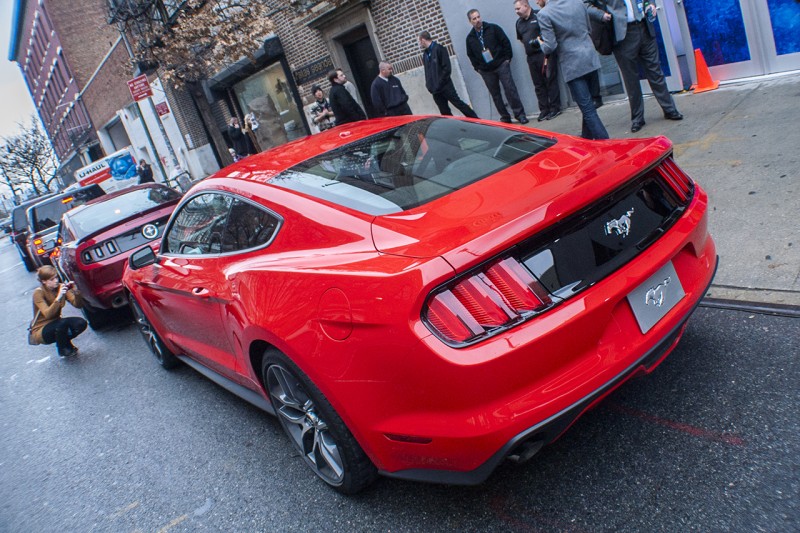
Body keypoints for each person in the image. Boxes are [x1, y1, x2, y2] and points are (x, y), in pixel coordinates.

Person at [585, 0, 683, 132]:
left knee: (655, 72)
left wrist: (652, 4)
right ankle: (637, 118)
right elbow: (585, 3)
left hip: (644, 27)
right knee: (631, 79)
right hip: (623, 35)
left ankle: (670, 109)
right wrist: (601, 15)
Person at [536, 0, 610, 140]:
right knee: (588, 105)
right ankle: (586, 138)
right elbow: (589, 28)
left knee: (588, 109)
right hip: (589, 56)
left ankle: (607, 144)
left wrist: (541, 43)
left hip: (572, 64)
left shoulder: (544, 13)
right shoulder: (578, 2)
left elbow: (550, 46)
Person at [465, 9, 528, 124]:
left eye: (478, 17)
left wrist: (507, 59)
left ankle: (520, 115)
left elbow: (505, 42)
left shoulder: (493, 28)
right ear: (470, 21)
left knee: (510, 89)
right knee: (495, 94)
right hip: (486, 71)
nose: (477, 20)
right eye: (474, 19)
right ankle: (505, 117)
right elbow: (471, 55)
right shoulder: (470, 38)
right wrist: (478, 68)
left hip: (501, 64)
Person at [514, 0, 562, 122]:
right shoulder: (519, 23)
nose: (516, 11)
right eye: (515, 9)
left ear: (526, 6)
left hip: (544, 54)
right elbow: (521, 39)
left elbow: (549, 33)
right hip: (531, 57)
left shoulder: (539, 15)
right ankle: (544, 109)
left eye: (518, 8)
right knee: (538, 84)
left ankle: (555, 107)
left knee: (550, 80)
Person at [29, 266, 87, 357]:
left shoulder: (60, 287)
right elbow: (48, 314)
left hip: (58, 324)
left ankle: (66, 344)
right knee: (62, 323)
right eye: (52, 279)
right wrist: (58, 297)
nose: (56, 281)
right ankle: (62, 349)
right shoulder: (38, 293)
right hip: (41, 330)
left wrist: (76, 292)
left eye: (56, 277)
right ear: (44, 281)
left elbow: (78, 305)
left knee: (81, 323)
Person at [419, 32, 479, 119]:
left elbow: (447, 69)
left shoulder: (439, 49)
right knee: (444, 111)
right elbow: (427, 72)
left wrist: (440, 83)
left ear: (423, 40)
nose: (419, 44)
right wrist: (429, 85)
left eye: (419, 41)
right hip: (435, 90)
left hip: (445, 86)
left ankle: (475, 119)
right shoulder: (425, 55)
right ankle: (452, 127)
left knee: (458, 103)